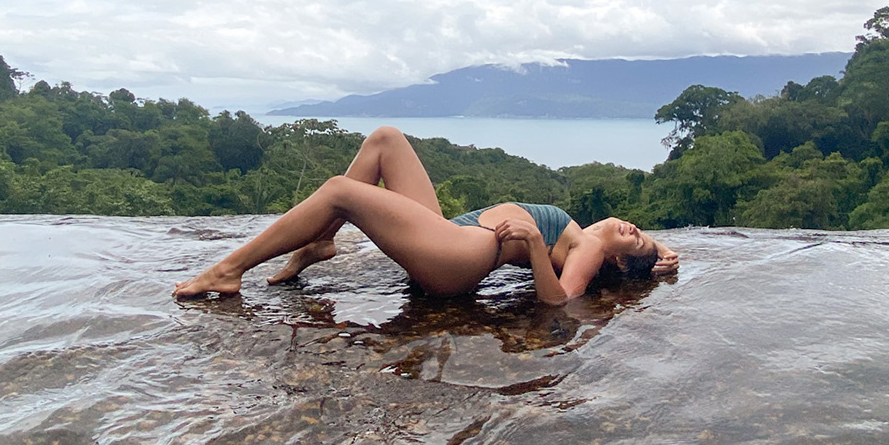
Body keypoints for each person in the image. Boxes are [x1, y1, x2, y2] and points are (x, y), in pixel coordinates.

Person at [173, 126, 678, 304]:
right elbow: (649, 254)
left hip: (459, 259)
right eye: (640, 231)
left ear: (613, 262)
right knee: (385, 140)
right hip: (451, 236)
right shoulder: (591, 236)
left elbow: (560, 303)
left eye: (634, 242)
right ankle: (320, 242)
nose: (634, 231)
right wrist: (661, 253)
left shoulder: (588, 248)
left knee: (338, 190)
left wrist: (529, 241)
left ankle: (228, 272)